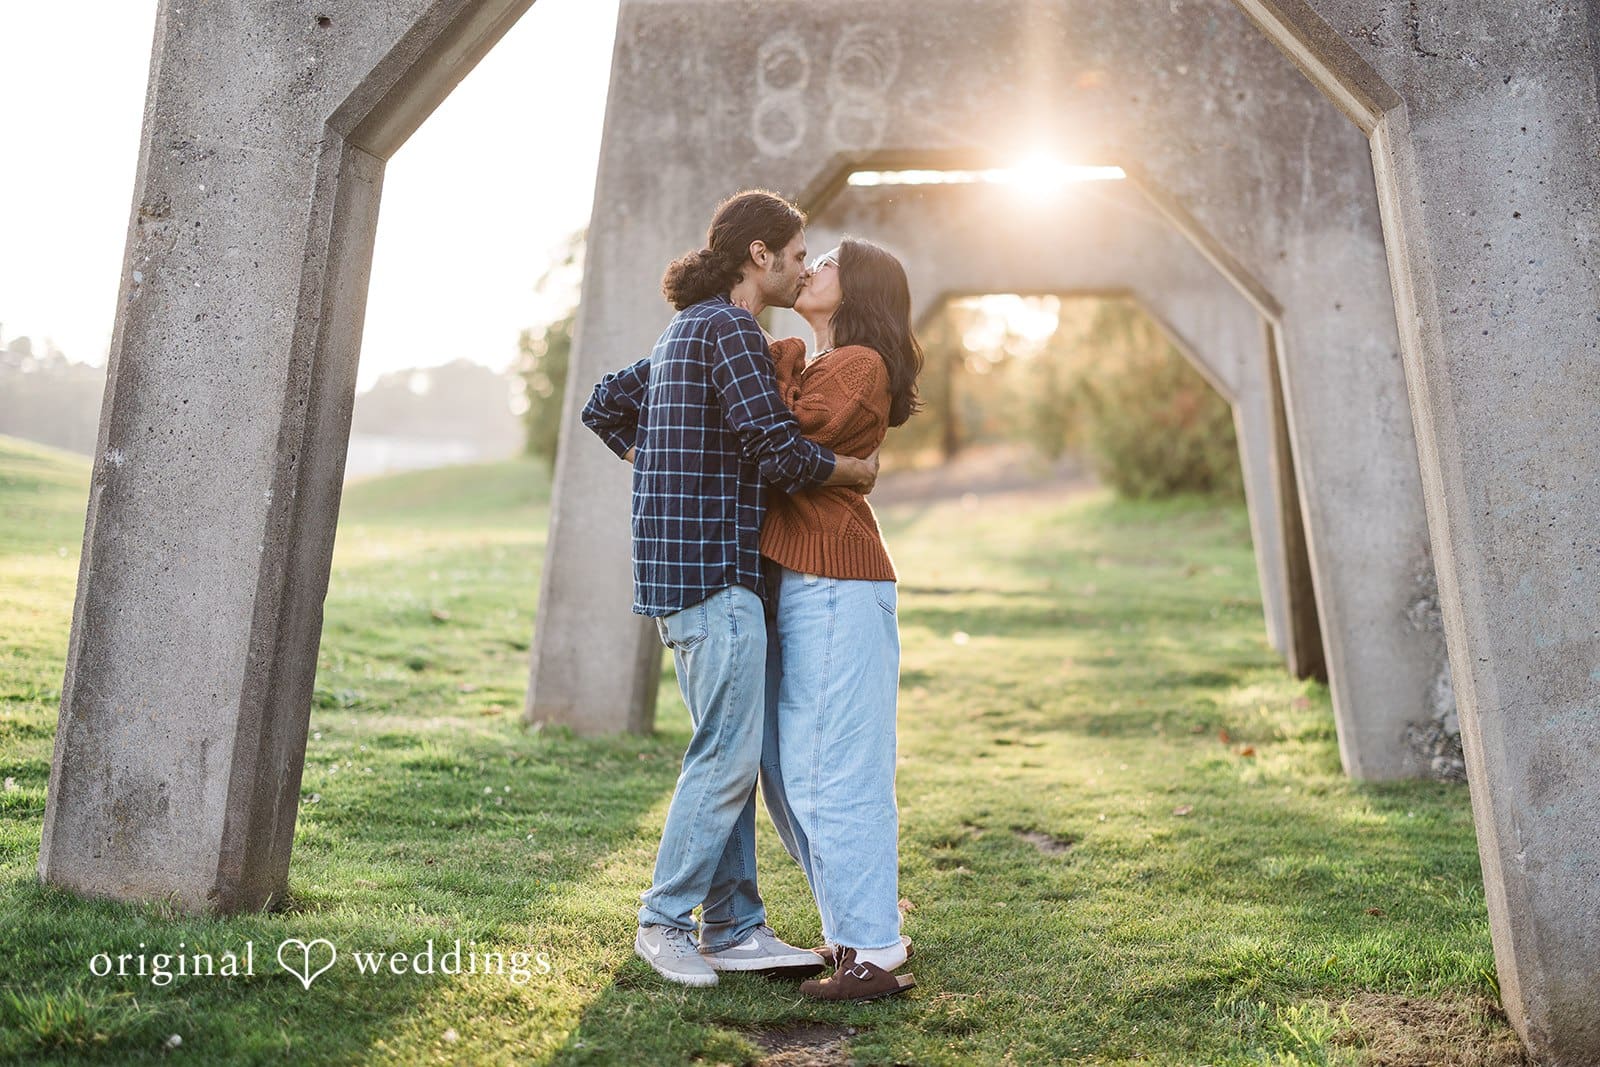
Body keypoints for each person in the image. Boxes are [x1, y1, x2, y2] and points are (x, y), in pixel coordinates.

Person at [580, 190, 880, 988]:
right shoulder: (733, 331)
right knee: (725, 754)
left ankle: (737, 926)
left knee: (730, 751)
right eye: (795, 250)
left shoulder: (689, 328)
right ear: (760, 255)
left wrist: (659, 458)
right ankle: (664, 919)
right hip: (714, 574)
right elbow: (775, 449)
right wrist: (852, 471)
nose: (800, 263)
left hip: (682, 579)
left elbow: (604, 403)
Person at [753, 237, 924, 1001]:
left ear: (854, 289)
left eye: (825, 261)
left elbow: (778, 438)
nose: (810, 267)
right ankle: (863, 924)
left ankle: (872, 951)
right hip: (817, 579)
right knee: (801, 769)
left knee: (828, 767)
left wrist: (781, 355)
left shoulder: (858, 364)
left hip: (836, 581)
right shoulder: (833, 362)